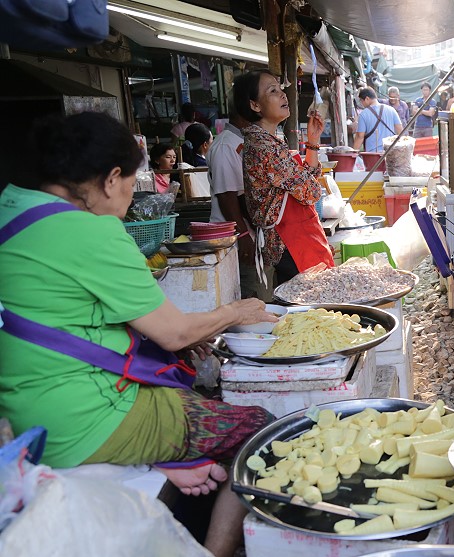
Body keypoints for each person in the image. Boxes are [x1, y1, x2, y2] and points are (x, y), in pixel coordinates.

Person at [0, 112, 278, 557]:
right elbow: (174, 333)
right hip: (86, 418)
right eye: (130, 185)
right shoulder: (88, 230)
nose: (129, 201)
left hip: (24, 411)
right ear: (111, 178)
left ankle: (174, 463)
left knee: (193, 396)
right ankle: (216, 552)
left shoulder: (12, 207)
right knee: (261, 429)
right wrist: (236, 310)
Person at [236, 70, 334, 286]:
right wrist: (307, 179)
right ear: (255, 105)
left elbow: (308, 182)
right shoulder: (265, 148)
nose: (283, 95)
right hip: (290, 246)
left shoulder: (269, 143)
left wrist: (313, 142)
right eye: (273, 91)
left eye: (281, 89)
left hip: (294, 244)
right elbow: (312, 192)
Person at [207, 109, 270, 300]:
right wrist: (244, 235)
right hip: (238, 239)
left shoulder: (245, 140)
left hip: (253, 234)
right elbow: (228, 195)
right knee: (252, 296)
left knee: (263, 292)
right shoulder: (226, 145)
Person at [353, 87, 402, 153]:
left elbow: (360, 136)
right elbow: (400, 131)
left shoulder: (363, 114)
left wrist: (353, 153)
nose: (362, 104)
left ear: (367, 99)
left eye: (362, 101)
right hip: (391, 152)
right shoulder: (391, 110)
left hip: (373, 154)